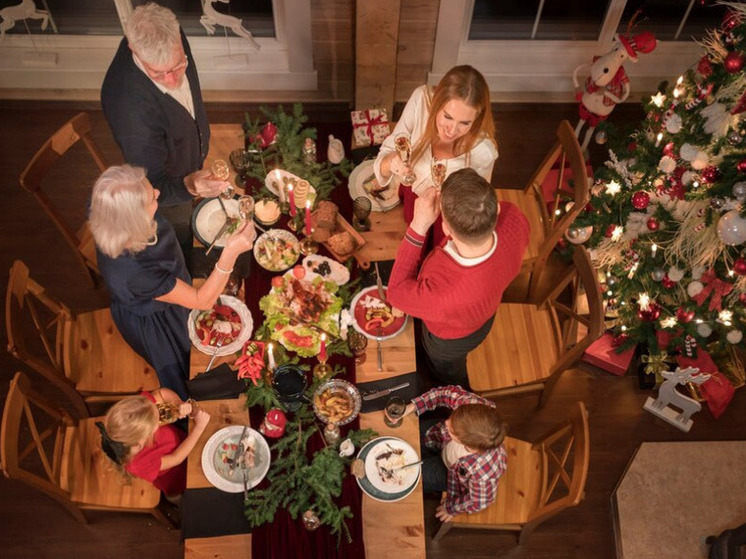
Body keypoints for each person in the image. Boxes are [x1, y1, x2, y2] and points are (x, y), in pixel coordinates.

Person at [89, 164, 256, 400]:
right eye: (151, 198)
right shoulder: (135, 271)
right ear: (135, 221)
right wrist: (230, 253)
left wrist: (191, 185)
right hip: (158, 319)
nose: (157, 192)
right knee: (186, 366)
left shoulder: (110, 202)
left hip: (166, 284)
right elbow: (202, 300)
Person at [101, 2, 228, 259]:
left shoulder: (171, 34)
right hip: (168, 192)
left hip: (188, 159)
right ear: (133, 48)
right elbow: (155, 183)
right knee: (179, 242)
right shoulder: (129, 110)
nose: (173, 81)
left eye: (178, 65)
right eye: (159, 74)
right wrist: (190, 186)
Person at [386, 168, 530, 387]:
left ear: (445, 229)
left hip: (450, 340)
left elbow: (396, 294)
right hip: (485, 311)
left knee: (446, 371)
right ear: (496, 208)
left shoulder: (443, 293)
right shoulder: (514, 217)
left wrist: (418, 226)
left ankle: (455, 391)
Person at [373, 65, 498, 245]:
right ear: (437, 102)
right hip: (413, 199)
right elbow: (387, 153)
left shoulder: (483, 152)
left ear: (477, 118)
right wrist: (391, 162)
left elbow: (478, 203)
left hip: (447, 219)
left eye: (465, 123)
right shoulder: (421, 100)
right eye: (447, 117)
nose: (452, 130)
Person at [391, 385, 507, 521]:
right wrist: (412, 407)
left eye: (452, 429)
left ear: (467, 445)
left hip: (448, 472)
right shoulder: (475, 408)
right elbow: (444, 393)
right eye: (452, 418)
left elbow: (479, 501)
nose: (446, 422)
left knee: (404, 476)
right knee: (399, 439)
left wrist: (451, 508)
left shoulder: (484, 473)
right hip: (436, 437)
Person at [96, 388, 211, 498]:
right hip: (177, 473)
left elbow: (161, 393)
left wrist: (178, 403)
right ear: (141, 440)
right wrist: (199, 427)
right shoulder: (137, 465)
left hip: (184, 439)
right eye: (155, 422)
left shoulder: (139, 410)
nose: (159, 418)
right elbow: (176, 458)